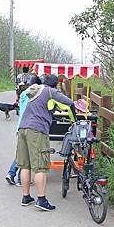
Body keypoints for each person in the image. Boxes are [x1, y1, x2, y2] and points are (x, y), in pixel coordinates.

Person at [17, 74, 75, 211]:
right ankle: (41, 199)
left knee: (25, 165)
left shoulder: (36, 90)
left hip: (23, 128)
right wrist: (74, 120)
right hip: (37, 130)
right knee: (40, 166)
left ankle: (26, 197)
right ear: (55, 85)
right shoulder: (50, 91)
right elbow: (69, 103)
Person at [5, 75, 42, 186]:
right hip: (29, 126)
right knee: (26, 154)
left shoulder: (23, 94)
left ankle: (12, 174)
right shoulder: (35, 95)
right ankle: (19, 178)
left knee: (22, 153)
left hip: (20, 126)